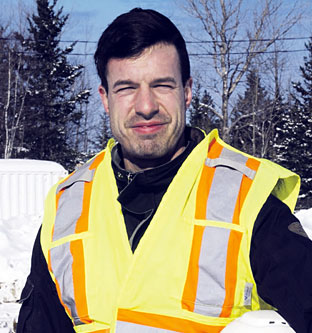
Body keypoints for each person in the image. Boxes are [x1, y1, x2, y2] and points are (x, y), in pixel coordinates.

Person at [17, 8, 312, 333]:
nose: (146, 106)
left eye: (162, 85)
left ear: (186, 92)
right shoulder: (66, 208)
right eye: (126, 88)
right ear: (105, 98)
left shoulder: (246, 200)